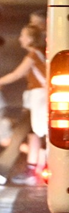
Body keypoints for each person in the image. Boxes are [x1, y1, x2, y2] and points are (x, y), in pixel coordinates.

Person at [0, 24, 47, 185]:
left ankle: (4, 171)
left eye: (23, 35)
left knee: (23, 133)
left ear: (31, 38)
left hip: (38, 100)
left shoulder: (33, 55)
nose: (20, 39)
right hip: (36, 99)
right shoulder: (39, 54)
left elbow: (16, 74)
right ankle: (33, 169)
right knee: (33, 134)